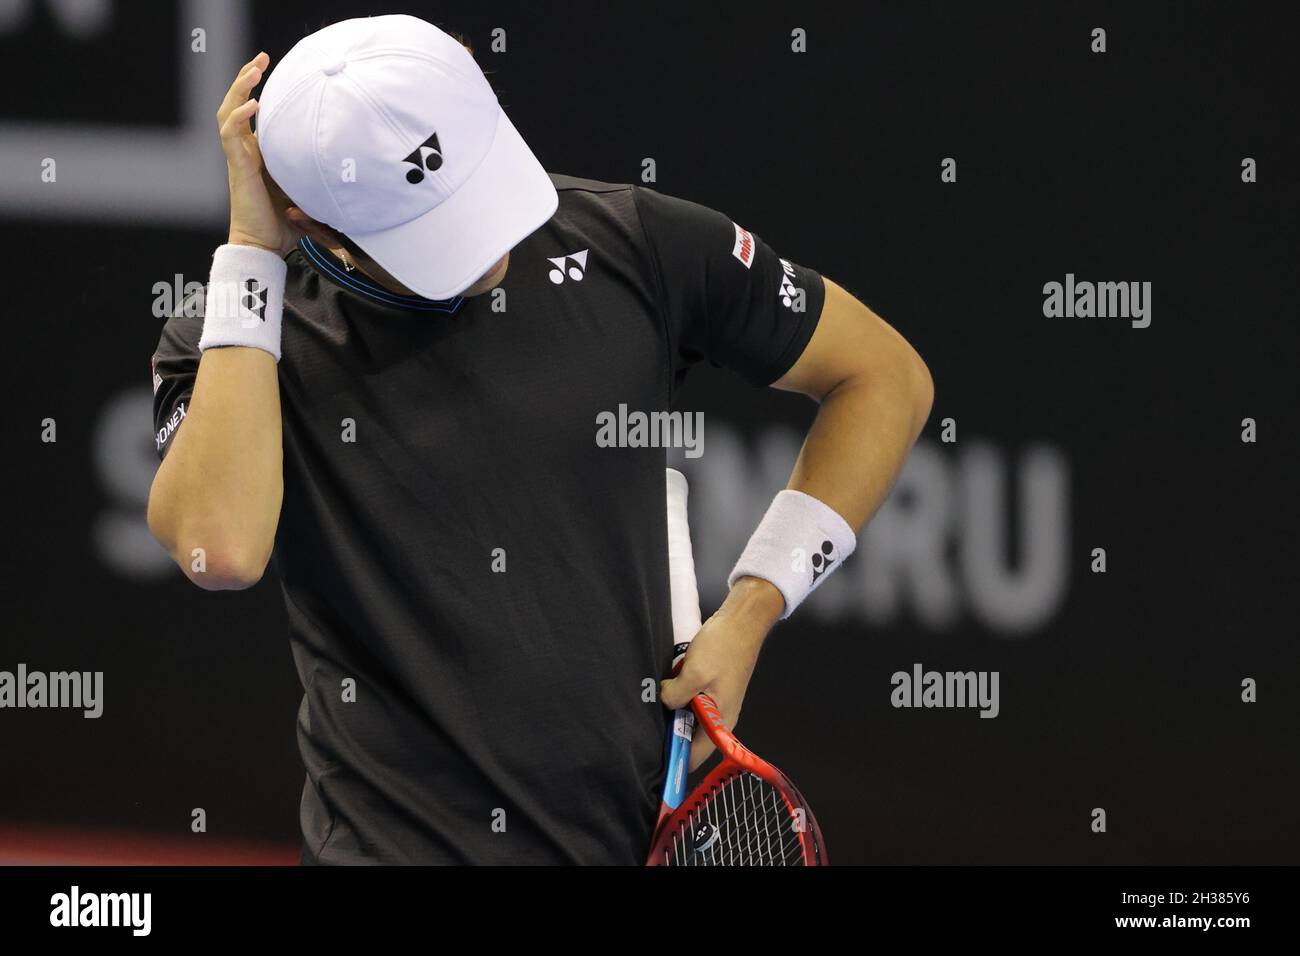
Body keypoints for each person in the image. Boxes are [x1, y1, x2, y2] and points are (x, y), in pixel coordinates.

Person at [147, 14, 933, 865]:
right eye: (433, 227)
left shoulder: (636, 242)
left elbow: (884, 378)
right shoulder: (241, 337)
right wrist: (252, 254)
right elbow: (217, 550)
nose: (490, 246)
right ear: (310, 218)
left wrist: (753, 608)